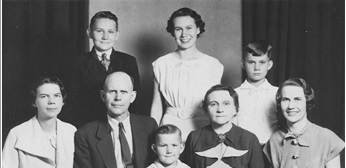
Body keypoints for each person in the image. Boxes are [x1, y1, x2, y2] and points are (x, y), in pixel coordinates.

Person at [71, 71, 157, 168]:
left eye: (124, 92)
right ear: (103, 96)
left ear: (133, 96)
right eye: (112, 92)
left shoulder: (148, 126)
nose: (118, 98)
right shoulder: (86, 134)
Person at [150, 7, 224, 142]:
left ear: (198, 30)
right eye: (178, 29)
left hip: (204, 127)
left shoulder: (213, 65)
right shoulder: (161, 64)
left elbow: (216, 104)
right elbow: (156, 106)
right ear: (173, 32)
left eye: (189, 28)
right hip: (170, 130)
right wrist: (154, 135)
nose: (184, 34)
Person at [65, 11, 140, 127]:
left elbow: (135, 100)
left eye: (110, 32)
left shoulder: (128, 61)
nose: (105, 37)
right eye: (99, 31)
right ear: (89, 33)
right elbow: (71, 102)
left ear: (117, 35)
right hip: (88, 124)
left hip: (121, 124)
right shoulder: (77, 63)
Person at [235, 39, 277, 145]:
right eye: (251, 62)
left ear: (270, 64)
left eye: (262, 62)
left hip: (271, 150)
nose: (257, 68)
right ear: (243, 64)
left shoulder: (277, 93)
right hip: (243, 149)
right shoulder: (235, 94)